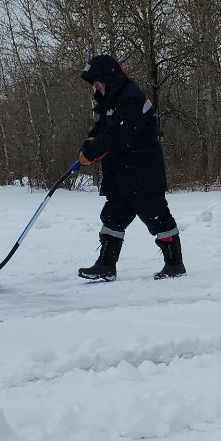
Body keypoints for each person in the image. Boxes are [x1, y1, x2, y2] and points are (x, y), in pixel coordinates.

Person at [75, 55, 183, 281]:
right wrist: (89, 142)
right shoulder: (111, 101)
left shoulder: (131, 98)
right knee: (113, 217)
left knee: (156, 217)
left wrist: (90, 154)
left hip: (143, 172)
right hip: (121, 174)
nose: (96, 89)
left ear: (108, 79)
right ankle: (106, 265)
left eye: (97, 84)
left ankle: (174, 264)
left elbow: (116, 137)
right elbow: (102, 128)